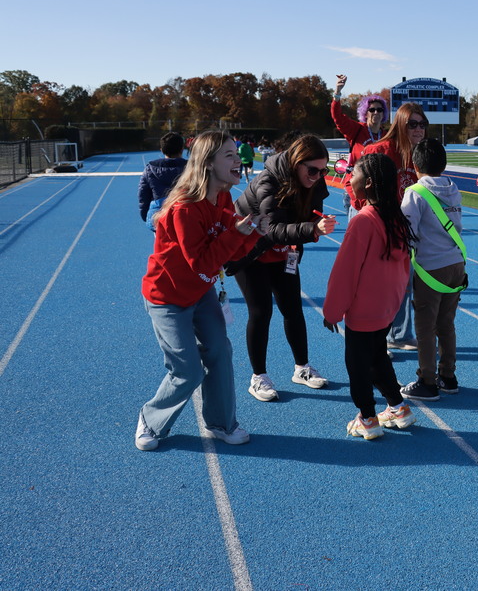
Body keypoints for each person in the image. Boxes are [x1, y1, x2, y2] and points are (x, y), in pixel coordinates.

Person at [134, 130, 267, 451]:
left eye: (237, 153)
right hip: (167, 297)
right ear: (207, 164)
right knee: (188, 371)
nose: (238, 160)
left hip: (201, 292)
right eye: (229, 155)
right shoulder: (183, 210)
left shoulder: (221, 198)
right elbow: (202, 263)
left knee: (221, 352)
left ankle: (221, 423)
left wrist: (252, 232)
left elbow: (229, 252)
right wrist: (238, 233)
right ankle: (150, 419)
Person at [230, 134, 336, 402]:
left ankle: (302, 368)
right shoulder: (268, 180)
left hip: (282, 252)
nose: (318, 176)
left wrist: (316, 223)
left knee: (293, 308)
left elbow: (312, 214)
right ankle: (258, 377)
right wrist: (312, 229)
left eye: (323, 170)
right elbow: (273, 229)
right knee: (261, 311)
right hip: (250, 251)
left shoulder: (315, 180)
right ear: (296, 163)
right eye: (312, 170)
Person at [323, 153, 418, 439]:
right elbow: (404, 268)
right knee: (378, 358)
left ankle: (367, 418)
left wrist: (332, 311)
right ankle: (398, 407)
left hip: (363, 311)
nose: (350, 178)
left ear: (370, 182)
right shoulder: (396, 218)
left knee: (358, 366)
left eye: (355, 174)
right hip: (386, 309)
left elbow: (345, 272)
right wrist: (392, 302)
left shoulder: (363, 221)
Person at [347, 102, 429, 351]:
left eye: (422, 124)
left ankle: (399, 334)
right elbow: (354, 185)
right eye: (412, 124)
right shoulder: (381, 149)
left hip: (403, 227)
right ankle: (375, 339)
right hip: (376, 223)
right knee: (376, 283)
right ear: (400, 125)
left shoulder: (420, 154)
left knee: (404, 281)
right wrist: (369, 213)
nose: (418, 129)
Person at [398, 138, 467, 401]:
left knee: (425, 327)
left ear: (415, 165)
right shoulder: (454, 187)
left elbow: (408, 232)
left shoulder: (415, 192)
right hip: (456, 264)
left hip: (431, 269)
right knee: (446, 323)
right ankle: (448, 376)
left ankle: (427, 381)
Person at [331, 75, 389, 217]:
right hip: (358, 192)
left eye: (380, 110)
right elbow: (337, 117)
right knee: (358, 235)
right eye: (372, 110)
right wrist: (337, 92)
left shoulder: (387, 135)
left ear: (384, 113)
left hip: (379, 194)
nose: (376, 112)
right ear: (365, 112)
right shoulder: (357, 130)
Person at [138, 131, 187, 232]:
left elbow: (143, 194)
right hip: (186, 216)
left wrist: (146, 215)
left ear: (162, 150)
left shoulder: (150, 168)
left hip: (159, 217)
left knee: (162, 246)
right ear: (182, 148)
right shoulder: (192, 168)